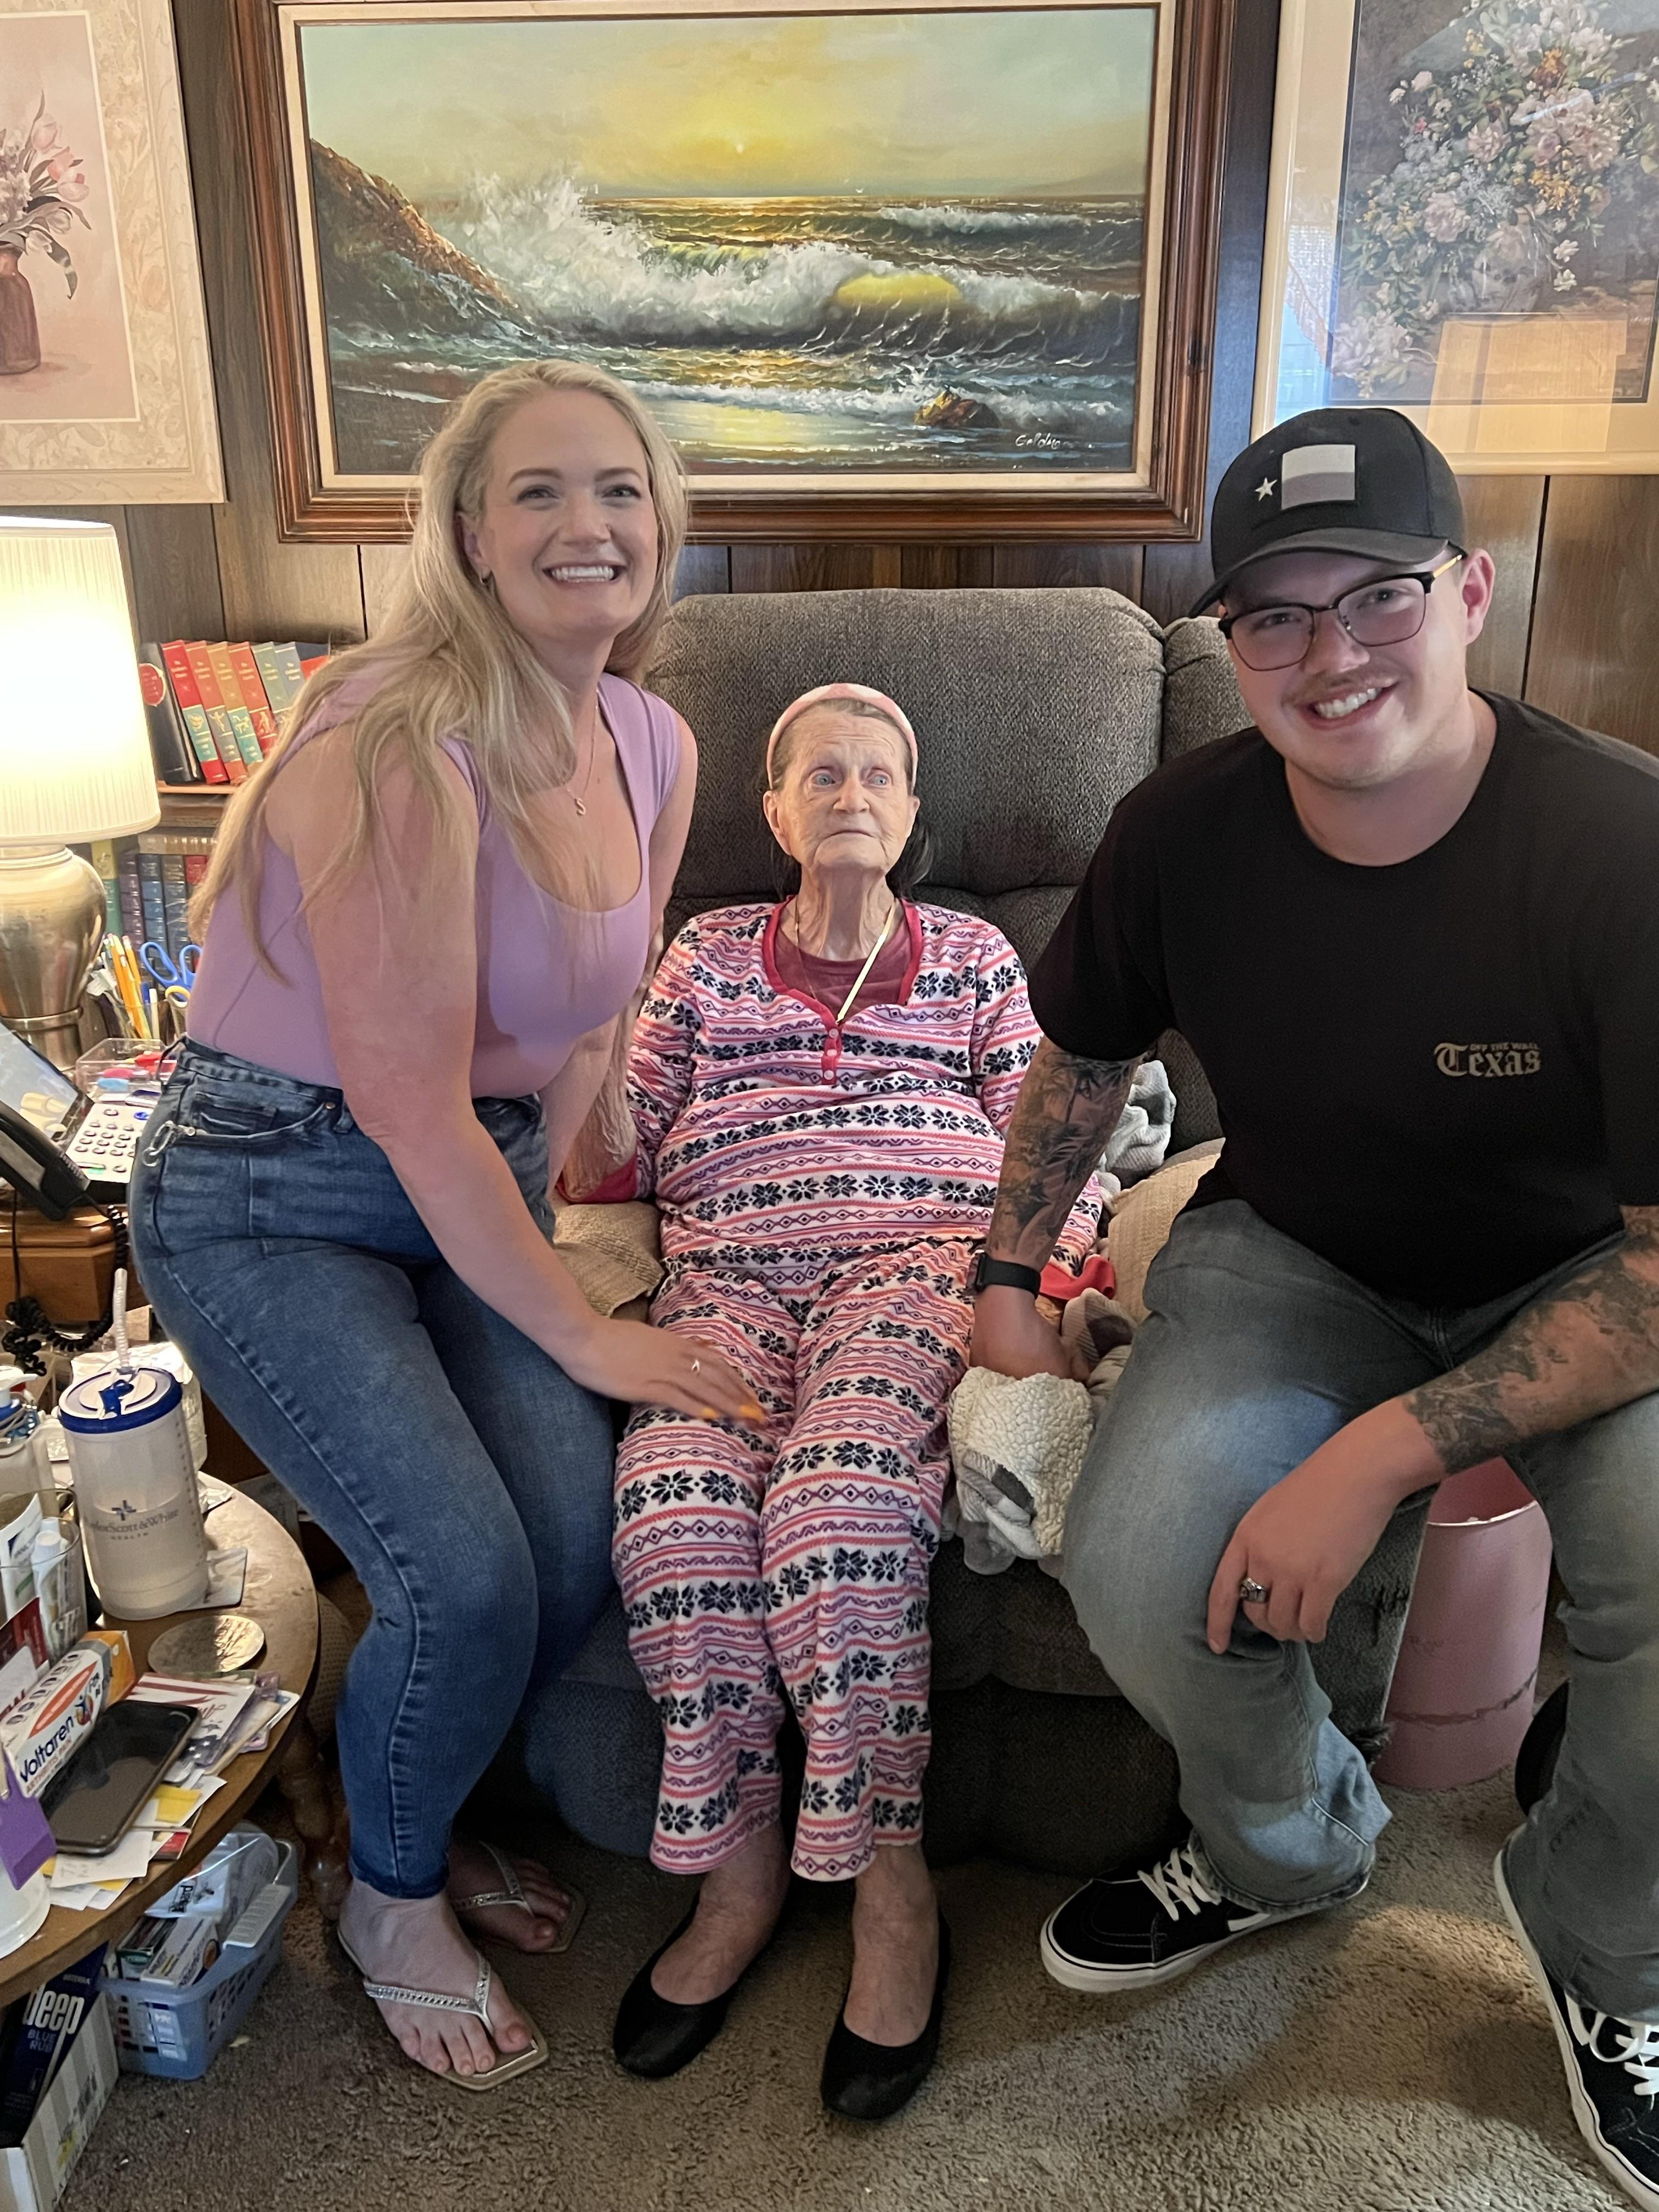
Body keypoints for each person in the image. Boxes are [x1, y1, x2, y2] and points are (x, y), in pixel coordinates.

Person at [970, 408, 1659, 2210]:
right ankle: (1286, 1855)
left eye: (1380, 599)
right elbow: (1076, 1060)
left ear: (1475, 593)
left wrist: (1373, 1458)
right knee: (1135, 1559)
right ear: (1228, 645)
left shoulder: (1623, 844)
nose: (1329, 655)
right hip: (1299, 1252)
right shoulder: (1182, 829)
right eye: (1273, 617)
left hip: (1596, 1281)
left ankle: (1611, 1951)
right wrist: (1000, 1277)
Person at [128, 361, 753, 2089]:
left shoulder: (652, 738)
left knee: (562, 1542)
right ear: (470, 533)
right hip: (269, 1187)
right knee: (460, 1569)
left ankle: (401, 1790)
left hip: (461, 1175)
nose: (587, 525)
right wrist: (582, 1320)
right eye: (540, 492)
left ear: (662, 526)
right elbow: (398, 1096)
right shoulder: (393, 732)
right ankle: (388, 1896)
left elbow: (592, 1019)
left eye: (619, 490)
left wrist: (578, 1188)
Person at [577, 683, 1106, 2118]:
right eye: (822, 771)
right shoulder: (699, 956)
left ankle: (890, 1888)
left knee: (838, 1505)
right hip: (727, 1284)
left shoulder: (982, 958)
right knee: (677, 1509)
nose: (854, 790)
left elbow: (1060, 1136)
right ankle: (739, 1877)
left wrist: (1050, 1276)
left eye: (883, 771)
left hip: (915, 1270)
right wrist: (576, 1008)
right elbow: (604, 1156)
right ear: (772, 811)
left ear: (917, 814)